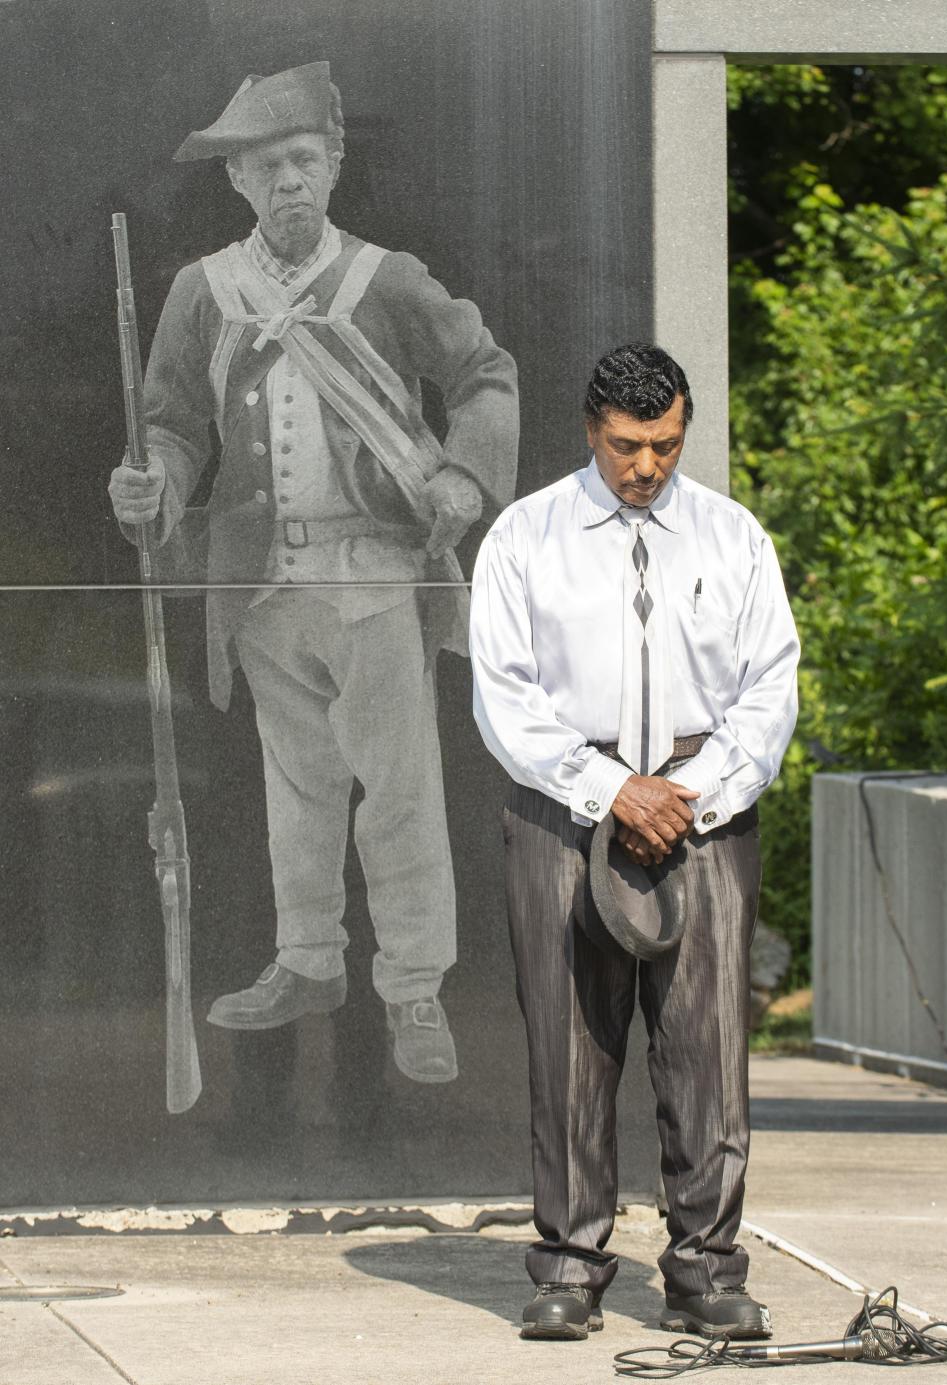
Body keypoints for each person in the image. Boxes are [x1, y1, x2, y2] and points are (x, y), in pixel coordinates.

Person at [109, 62, 518, 1085]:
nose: (289, 182)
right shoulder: (204, 292)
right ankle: (308, 960)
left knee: (399, 788)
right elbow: (169, 424)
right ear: (238, 183)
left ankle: (416, 984)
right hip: (261, 585)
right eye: (266, 167)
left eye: (304, 160)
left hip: (376, 575)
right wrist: (150, 482)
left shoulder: (387, 280)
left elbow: (484, 375)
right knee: (296, 787)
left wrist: (465, 475)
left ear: (333, 165)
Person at [469, 343, 799, 1338]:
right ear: (590, 428)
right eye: (624, 445)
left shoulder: (732, 537)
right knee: (570, 1046)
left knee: (708, 1049)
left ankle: (705, 1268)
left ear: (683, 428)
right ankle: (570, 1264)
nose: (643, 466)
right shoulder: (524, 536)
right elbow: (505, 697)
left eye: (661, 444)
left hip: (706, 813)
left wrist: (686, 796)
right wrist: (614, 788)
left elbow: (769, 689)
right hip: (563, 812)